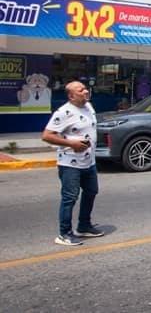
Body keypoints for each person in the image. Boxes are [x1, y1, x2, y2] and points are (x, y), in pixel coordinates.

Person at [41, 81, 104, 246]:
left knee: (91, 192)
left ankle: (84, 226)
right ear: (71, 95)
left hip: (89, 162)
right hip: (70, 163)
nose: (85, 91)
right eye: (80, 90)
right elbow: (47, 135)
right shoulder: (64, 112)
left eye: (85, 88)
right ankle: (64, 233)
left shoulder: (89, 107)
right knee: (70, 198)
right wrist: (72, 144)